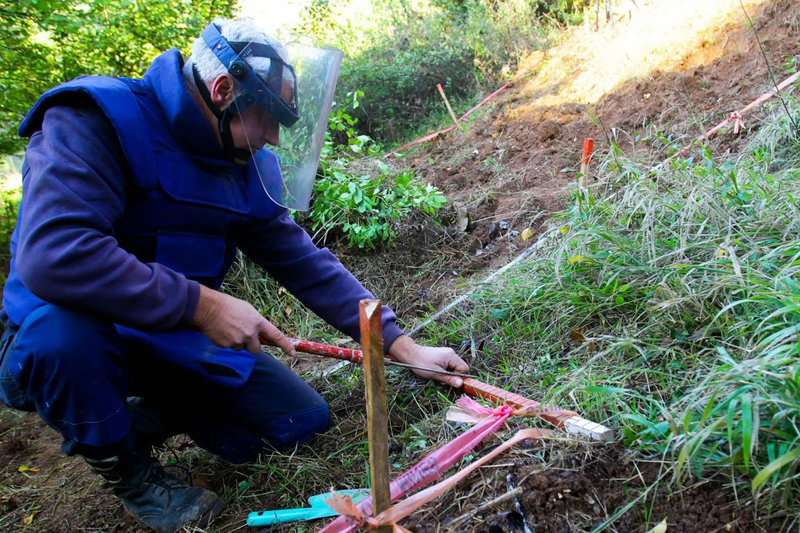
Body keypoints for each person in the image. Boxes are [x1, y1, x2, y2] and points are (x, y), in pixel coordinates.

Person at [0, 17, 469, 533]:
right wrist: (205, 306)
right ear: (223, 89)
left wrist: (402, 348)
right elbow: (56, 254)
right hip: (68, 334)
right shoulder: (94, 121)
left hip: (165, 336)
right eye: (266, 117)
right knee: (62, 341)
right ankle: (129, 472)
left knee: (298, 419)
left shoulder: (245, 163)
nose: (271, 138)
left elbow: (304, 262)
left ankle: (129, 421)